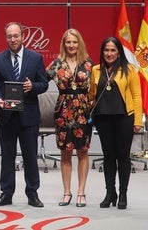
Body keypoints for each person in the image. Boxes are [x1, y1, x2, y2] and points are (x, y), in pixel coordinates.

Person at [0, 22, 49, 208]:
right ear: (5, 37)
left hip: (28, 116)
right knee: (7, 157)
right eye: (9, 36)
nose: (13, 39)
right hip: (6, 116)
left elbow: (44, 83)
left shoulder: (35, 58)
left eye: (16, 36)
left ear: (22, 36)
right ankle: (6, 193)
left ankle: (32, 193)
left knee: (30, 156)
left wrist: (33, 87)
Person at [89, 36, 143, 210]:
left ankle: (123, 194)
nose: (109, 53)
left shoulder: (129, 70)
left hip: (124, 118)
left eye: (113, 50)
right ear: (102, 52)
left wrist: (138, 120)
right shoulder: (96, 70)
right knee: (108, 156)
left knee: (123, 156)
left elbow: (136, 96)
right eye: (106, 50)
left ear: (118, 52)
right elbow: (91, 95)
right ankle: (110, 192)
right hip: (103, 118)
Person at [46, 28, 93, 207]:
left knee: (83, 151)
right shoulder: (56, 64)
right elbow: (41, 81)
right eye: (68, 42)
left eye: (74, 42)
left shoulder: (88, 63)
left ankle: (81, 192)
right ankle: (67, 192)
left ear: (79, 43)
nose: (71, 45)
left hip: (82, 111)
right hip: (63, 112)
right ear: (63, 44)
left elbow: (96, 87)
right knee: (65, 152)